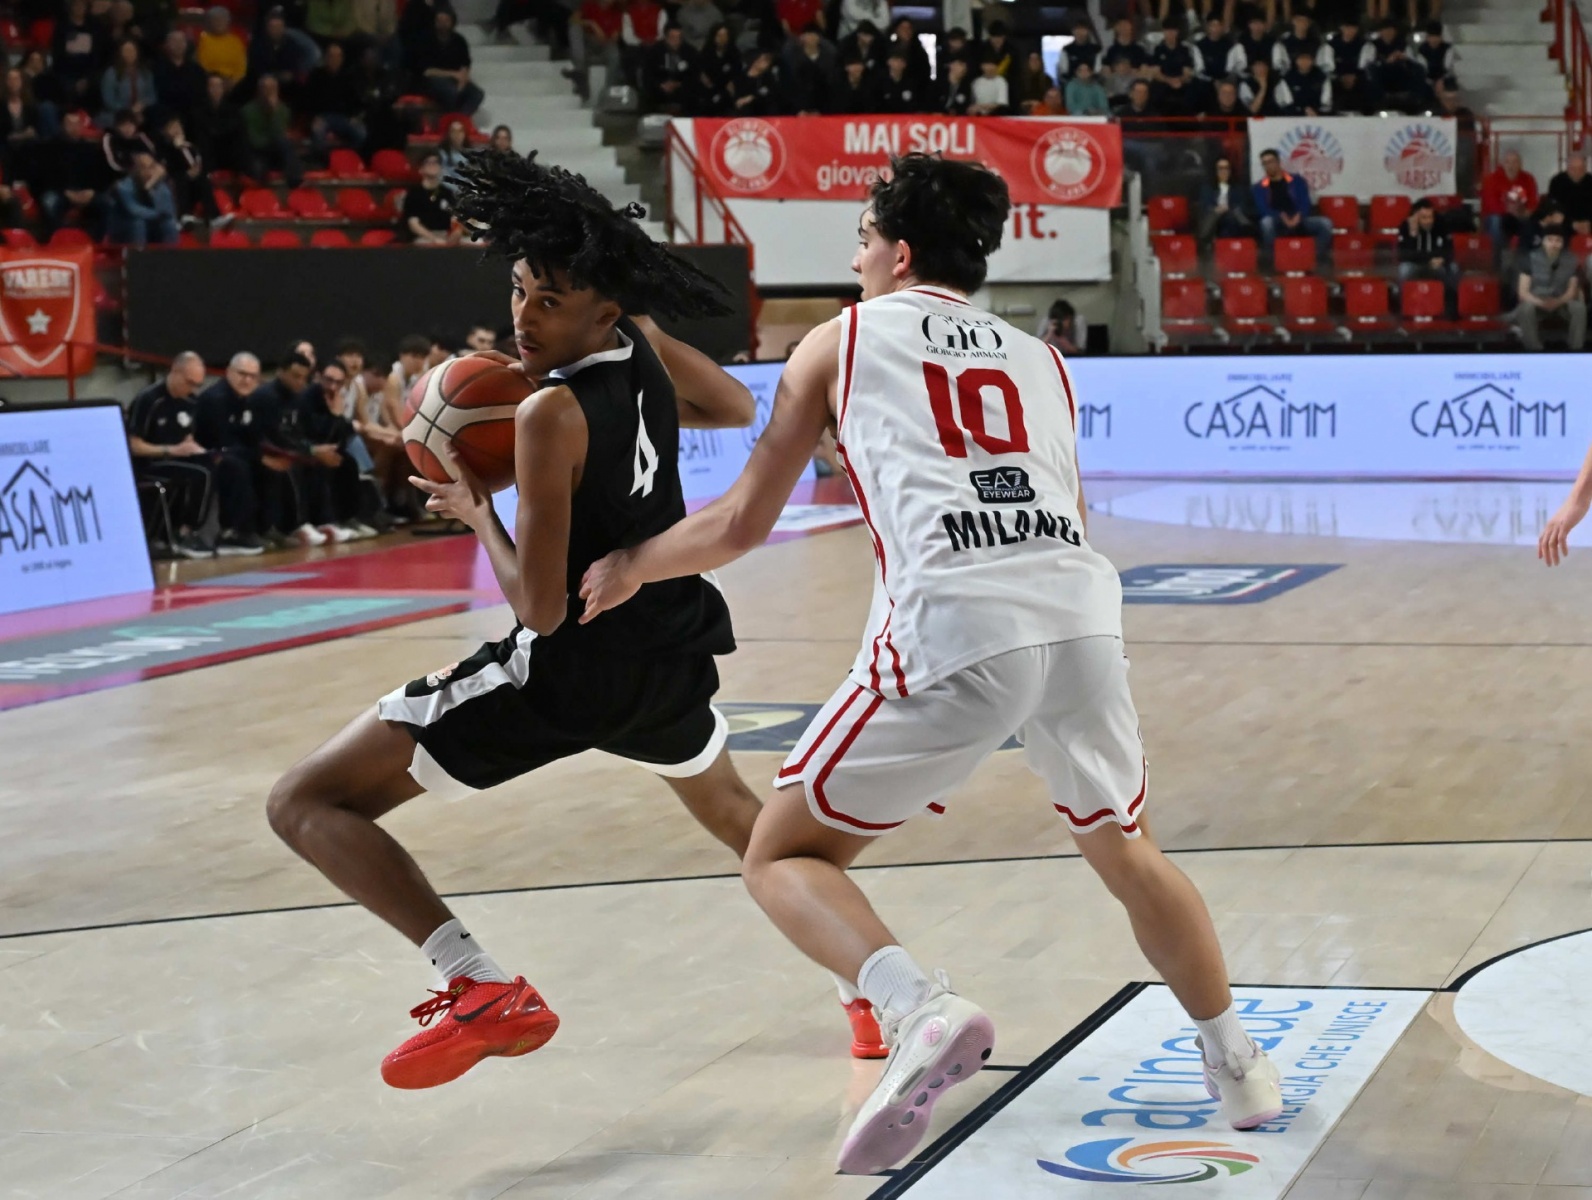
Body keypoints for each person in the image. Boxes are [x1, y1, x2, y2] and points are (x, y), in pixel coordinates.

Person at [577, 152, 1285, 1175]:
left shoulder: (838, 338)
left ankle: (916, 1007)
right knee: (1127, 849)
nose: (856, 259)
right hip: (1079, 615)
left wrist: (631, 565)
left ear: (899, 253)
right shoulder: (1041, 358)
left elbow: (739, 523)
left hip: (954, 621)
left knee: (780, 855)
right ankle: (1239, 1067)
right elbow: (1065, 508)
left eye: (863, 240)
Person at [266, 150, 892, 1093]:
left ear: (601, 311)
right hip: (667, 647)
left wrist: (479, 513)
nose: (524, 317)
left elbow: (541, 610)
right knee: (739, 816)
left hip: (567, 672)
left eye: (551, 301)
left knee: (304, 802)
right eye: (519, 290)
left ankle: (475, 983)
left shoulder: (547, 415)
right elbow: (731, 403)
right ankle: (870, 986)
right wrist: (637, 365)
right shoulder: (636, 344)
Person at [128, 351, 264, 557]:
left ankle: (234, 530)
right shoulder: (149, 399)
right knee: (202, 473)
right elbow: (133, 445)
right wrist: (170, 450)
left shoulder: (191, 402)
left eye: (197, 385)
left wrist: (198, 449)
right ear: (175, 372)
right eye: (189, 382)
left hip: (179, 458)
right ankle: (185, 532)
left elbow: (189, 437)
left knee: (226, 464)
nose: (192, 389)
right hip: (150, 462)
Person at [196, 351, 294, 548]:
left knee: (275, 468)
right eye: (242, 374)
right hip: (210, 454)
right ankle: (237, 530)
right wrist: (260, 457)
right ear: (229, 372)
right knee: (238, 467)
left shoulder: (252, 400)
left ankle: (267, 526)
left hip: (240, 453)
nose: (247, 380)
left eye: (252, 376)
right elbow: (222, 442)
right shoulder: (215, 399)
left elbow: (255, 436)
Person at [1252, 145, 1331, 262]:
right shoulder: (1259, 187)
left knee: (1325, 223)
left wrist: (1299, 216)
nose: (1268, 166)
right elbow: (1262, 209)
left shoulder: (1297, 180)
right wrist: (1281, 216)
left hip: (1299, 219)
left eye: (1270, 162)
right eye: (1265, 163)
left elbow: (1305, 202)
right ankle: (1275, 261)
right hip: (1277, 221)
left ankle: (1312, 259)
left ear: (1278, 162)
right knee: (1266, 223)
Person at [1516, 228, 1586, 351]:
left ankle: (1576, 349)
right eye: (1550, 240)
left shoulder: (1571, 260)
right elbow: (1523, 292)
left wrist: (1557, 302)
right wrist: (1542, 303)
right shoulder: (1529, 258)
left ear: (1563, 243)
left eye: (1558, 240)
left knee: (1578, 307)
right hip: (1537, 301)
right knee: (1525, 308)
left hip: (1561, 301)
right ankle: (1534, 349)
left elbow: (1572, 291)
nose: (1554, 244)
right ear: (1543, 241)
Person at [416, 9, 485, 115]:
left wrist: (462, 81)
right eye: (439, 20)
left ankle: (459, 118)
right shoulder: (426, 40)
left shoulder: (459, 40)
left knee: (477, 94)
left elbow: (465, 64)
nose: (443, 24)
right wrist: (453, 74)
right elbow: (426, 71)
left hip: (455, 79)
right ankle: (449, 118)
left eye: (446, 20)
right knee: (450, 91)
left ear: (452, 22)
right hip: (432, 80)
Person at [106, 148, 180, 246]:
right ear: (134, 170)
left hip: (151, 223)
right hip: (124, 226)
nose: (149, 172)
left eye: (151, 167)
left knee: (168, 223)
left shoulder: (160, 186)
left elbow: (169, 211)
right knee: (138, 223)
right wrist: (158, 214)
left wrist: (150, 188)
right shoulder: (123, 186)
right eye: (143, 168)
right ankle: (138, 254)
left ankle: (171, 254)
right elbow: (134, 210)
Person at [242, 74, 304, 185]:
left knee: (285, 144)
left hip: (277, 153)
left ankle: (295, 179)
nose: (269, 92)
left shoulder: (283, 110)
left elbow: (280, 134)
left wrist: (273, 113)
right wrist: (272, 140)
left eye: (272, 88)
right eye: (266, 88)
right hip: (257, 152)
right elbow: (254, 140)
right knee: (257, 167)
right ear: (259, 90)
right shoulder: (247, 111)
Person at [1482, 149, 1539, 263]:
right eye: (1508, 162)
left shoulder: (1528, 179)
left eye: (1515, 162)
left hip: (1520, 216)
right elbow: (1491, 205)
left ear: (1520, 164)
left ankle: (1525, 261)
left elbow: (1533, 201)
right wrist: (1510, 211)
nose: (1511, 165)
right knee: (1495, 221)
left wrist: (1527, 211)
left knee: (1533, 222)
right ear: (1503, 164)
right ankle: (1498, 260)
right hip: (1498, 216)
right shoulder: (1491, 179)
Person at [1396, 197, 1458, 305]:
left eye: (1430, 217)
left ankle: (1450, 305)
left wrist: (1442, 259)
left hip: (1437, 264)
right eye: (1424, 218)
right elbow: (1403, 255)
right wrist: (1413, 235)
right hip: (1415, 264)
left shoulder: (1441, 223)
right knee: (1404, 269)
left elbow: (1449, 249)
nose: (1428, 221)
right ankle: (1403, 305)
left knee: (1453, 268)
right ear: (1415, 217)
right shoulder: (1405, 226)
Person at [403, 151, 460, 244]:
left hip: (445, 234)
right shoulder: (414, 194)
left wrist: (456, 233)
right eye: (428, 162)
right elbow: (413, 224)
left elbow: (455, 219)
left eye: (436, 162)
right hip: (424, 237)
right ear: (421, 169)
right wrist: (434, 239)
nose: (433, 165)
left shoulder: (448, 193)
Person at [1197, 155, 1253, 241]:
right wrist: (1217, 210)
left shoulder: (1238, 188)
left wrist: (1229, 208)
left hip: (1232, 217)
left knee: (1230, 219)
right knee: (1213, 217)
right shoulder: (1208, 188)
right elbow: (1205, 206)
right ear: (1215, 171)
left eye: (1226, 168)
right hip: (1214, 217)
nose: (1224, 171)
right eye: (1220, 169)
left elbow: (1243, 206)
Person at [196, 5, 249, 90]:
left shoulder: (236, 42)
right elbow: (201, 66)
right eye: (216, 20)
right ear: (210, 22)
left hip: (233, 84)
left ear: (228, 22)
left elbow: (241, 67)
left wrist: (234, 81)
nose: (219, 23)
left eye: (222, 20)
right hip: (210, 83)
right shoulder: (202, 41)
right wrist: (216, 81)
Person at [1548, 150, 1592, 238]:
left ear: (1585, 168)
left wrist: (1589, 223)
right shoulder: (1557, 182)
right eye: (1573, 168)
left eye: (1581, 168)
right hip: (1565, 225)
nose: (1577, 171)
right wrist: (1573, 224)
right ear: (1567, 168)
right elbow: (1553, 209)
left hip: (1588, 225)